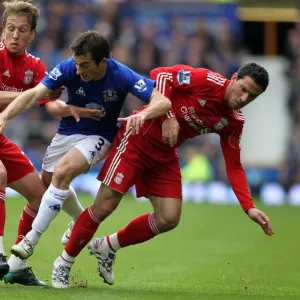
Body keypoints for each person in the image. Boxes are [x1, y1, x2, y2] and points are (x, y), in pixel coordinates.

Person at [49, 62, 273, 288]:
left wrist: (249, 206)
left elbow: (234, 166)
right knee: (105, 206)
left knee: (169, 218)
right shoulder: (206, 80)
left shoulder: (234, 121)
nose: (244, 98)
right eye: (243, 89)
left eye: (252, 96)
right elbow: (161, 75)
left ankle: (106, 246)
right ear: (234, 78)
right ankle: (63, 263)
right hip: (137, 138)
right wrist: (168, 116)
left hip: (165, 154)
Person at [0, 30, 171, 275]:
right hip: (67, 132)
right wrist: (6, 114)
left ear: (103, 62)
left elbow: (162, 101)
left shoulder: (121, 74)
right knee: (48, 184)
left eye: (85, 65)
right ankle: (80, 221)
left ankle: (30, 240)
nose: (79, 71)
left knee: (63, 171)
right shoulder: (68, 67)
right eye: (77, 64)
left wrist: (143, 114)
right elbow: (35, 95)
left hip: (98, 136)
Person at [0, 1, 103, 286]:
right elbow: (27, 96)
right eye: (10, 29)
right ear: (2, 31)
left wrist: (72, 108)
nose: (15, 35)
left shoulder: (35, 66)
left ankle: (16, 266)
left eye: (22, 30)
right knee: (0, 175)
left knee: (39, 194)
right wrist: (31, 93)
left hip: (1, 137)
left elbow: (48, 103)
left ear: (32, 33)